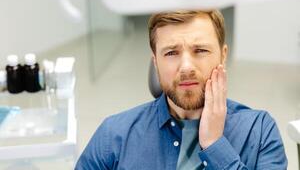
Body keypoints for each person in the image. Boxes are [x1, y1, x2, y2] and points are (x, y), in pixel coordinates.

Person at [75, 10, 287, 170]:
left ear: (223, 55)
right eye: (171, 53)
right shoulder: (113, 136)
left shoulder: (259, 132)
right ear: (155, 62)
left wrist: (215, 145)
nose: (186, 67)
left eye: (200, 50)